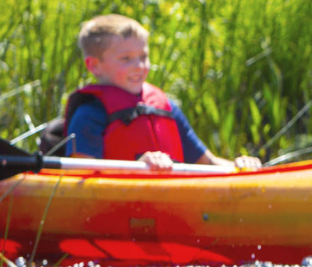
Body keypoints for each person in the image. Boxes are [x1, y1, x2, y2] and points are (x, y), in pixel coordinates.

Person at [61, 14, 262, 171]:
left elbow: (208, 162)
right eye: (126, 58)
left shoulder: (166, 108)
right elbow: (79, 175)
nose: (139, 66)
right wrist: (139, 167)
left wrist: (239, 167)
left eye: (144, 56)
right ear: (95, 66)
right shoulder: (90, 113)